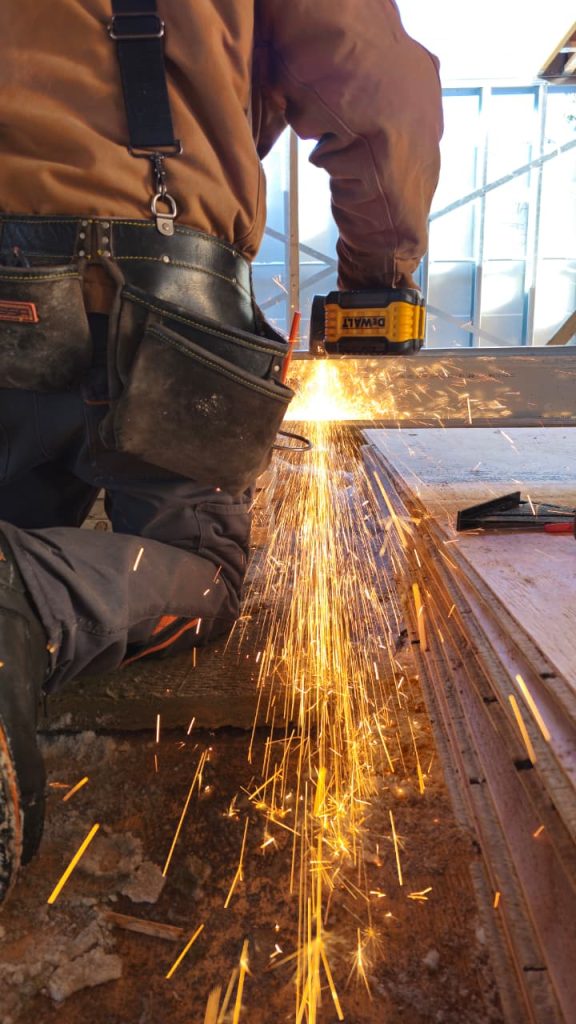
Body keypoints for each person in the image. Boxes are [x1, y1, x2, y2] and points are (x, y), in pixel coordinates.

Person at [0, 0, 443, 902]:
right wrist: (374, 284)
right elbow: (374, 82)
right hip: (163, 283)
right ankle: (19, 591)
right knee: (197, 568)